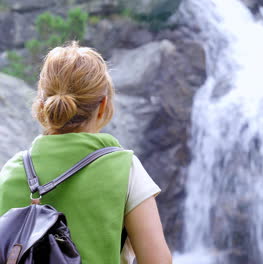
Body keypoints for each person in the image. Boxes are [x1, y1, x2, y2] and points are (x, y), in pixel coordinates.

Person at [0, 42, 172, 264]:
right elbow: (158, 260)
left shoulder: (11, 171)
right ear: (103, 105)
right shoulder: (124, 168)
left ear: (42, 106)